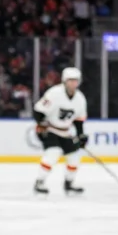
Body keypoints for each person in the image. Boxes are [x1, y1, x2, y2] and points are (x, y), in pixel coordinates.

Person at [32, 66, 87, 195]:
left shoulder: (80, 99)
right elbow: (38, 110)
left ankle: (69, 183)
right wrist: (41, 123)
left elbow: (78, 120)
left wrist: (81, 135)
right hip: (50, 129)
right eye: (70, 80)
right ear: (64, 81)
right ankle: (39, 182)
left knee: (74, 157)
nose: (73, 83)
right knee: (53, 153)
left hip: (65, 132)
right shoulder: (54, 93)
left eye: (76, 80)